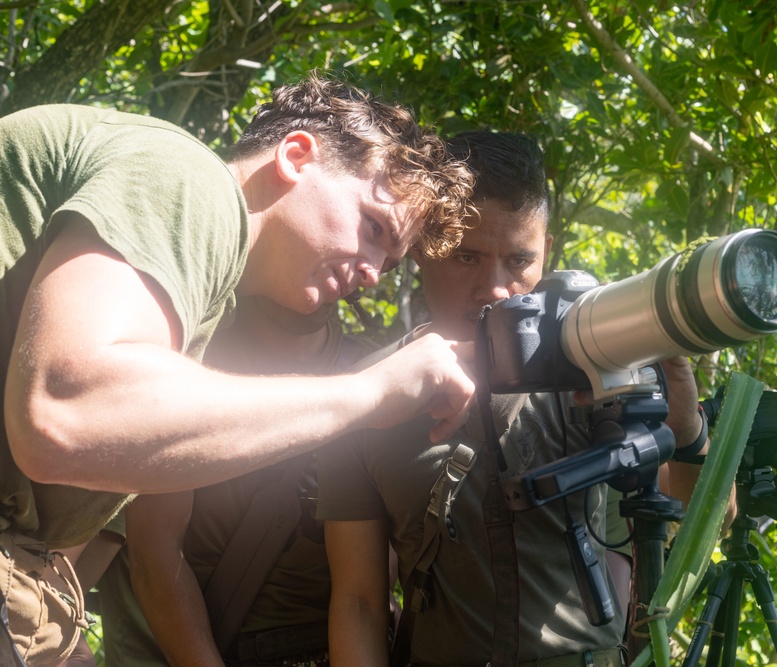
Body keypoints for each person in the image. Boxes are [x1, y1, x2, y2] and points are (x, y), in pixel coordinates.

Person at [0, 71, 477, 666]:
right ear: (297, 155)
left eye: (390, 257)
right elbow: (65, 411)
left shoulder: (197, 310)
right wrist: (368, 394)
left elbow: (69, 527)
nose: (374, 272)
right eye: (373, 227)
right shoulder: (188, 177)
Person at [317, 131, 711, 666]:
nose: (497, 289)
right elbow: (360, 601)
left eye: (520, 260)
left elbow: (705, 519)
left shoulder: (599, 370)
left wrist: (687, 432)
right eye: (466, 257)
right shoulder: (368, 398)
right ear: (422, 249)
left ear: (548, 251)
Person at [118, 294, 382, 667]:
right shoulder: (189, 363)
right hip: (224, 649)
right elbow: (154, 553)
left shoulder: (376, 372)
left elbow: (376, 586)